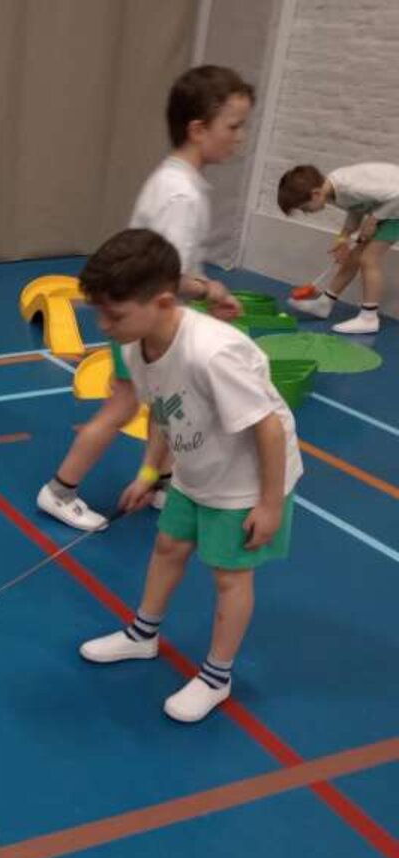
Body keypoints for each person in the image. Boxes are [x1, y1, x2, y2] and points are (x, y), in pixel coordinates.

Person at [76, 229, 302, 723]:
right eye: (99, 313)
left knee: (229, 576)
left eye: (114, 315)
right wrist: (149, 471)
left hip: (246, 479)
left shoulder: (212, 353)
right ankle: (143, 635)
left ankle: (217, 677)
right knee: (168, 546)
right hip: (196, 465)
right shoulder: (137, 347)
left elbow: (267, 427)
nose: (104, 326)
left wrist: (269, 504)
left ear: (161, 302)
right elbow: (164, 410)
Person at [38, 65, 254, 531]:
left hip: (150, 320)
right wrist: (211, 289)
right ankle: (59, 489)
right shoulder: (181, 194)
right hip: (140, 323)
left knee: (165, 401)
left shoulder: (177, 180)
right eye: (233, 126)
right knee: (123, 407)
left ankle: (161, 481)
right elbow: (164, 277)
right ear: (198, 129)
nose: (240, 138)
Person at [277, 161, 399, 334]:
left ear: (315, 193)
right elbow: (357, 208)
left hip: (395, 207)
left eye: (304, 208)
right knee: (353, 257)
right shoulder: (333, 192)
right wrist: (343, 238)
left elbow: (396, 194)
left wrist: (374, 219)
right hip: (387, 208)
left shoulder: (348, 187)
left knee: (368, 259)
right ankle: (324, 304)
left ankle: (369, 318)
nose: (306, 212)